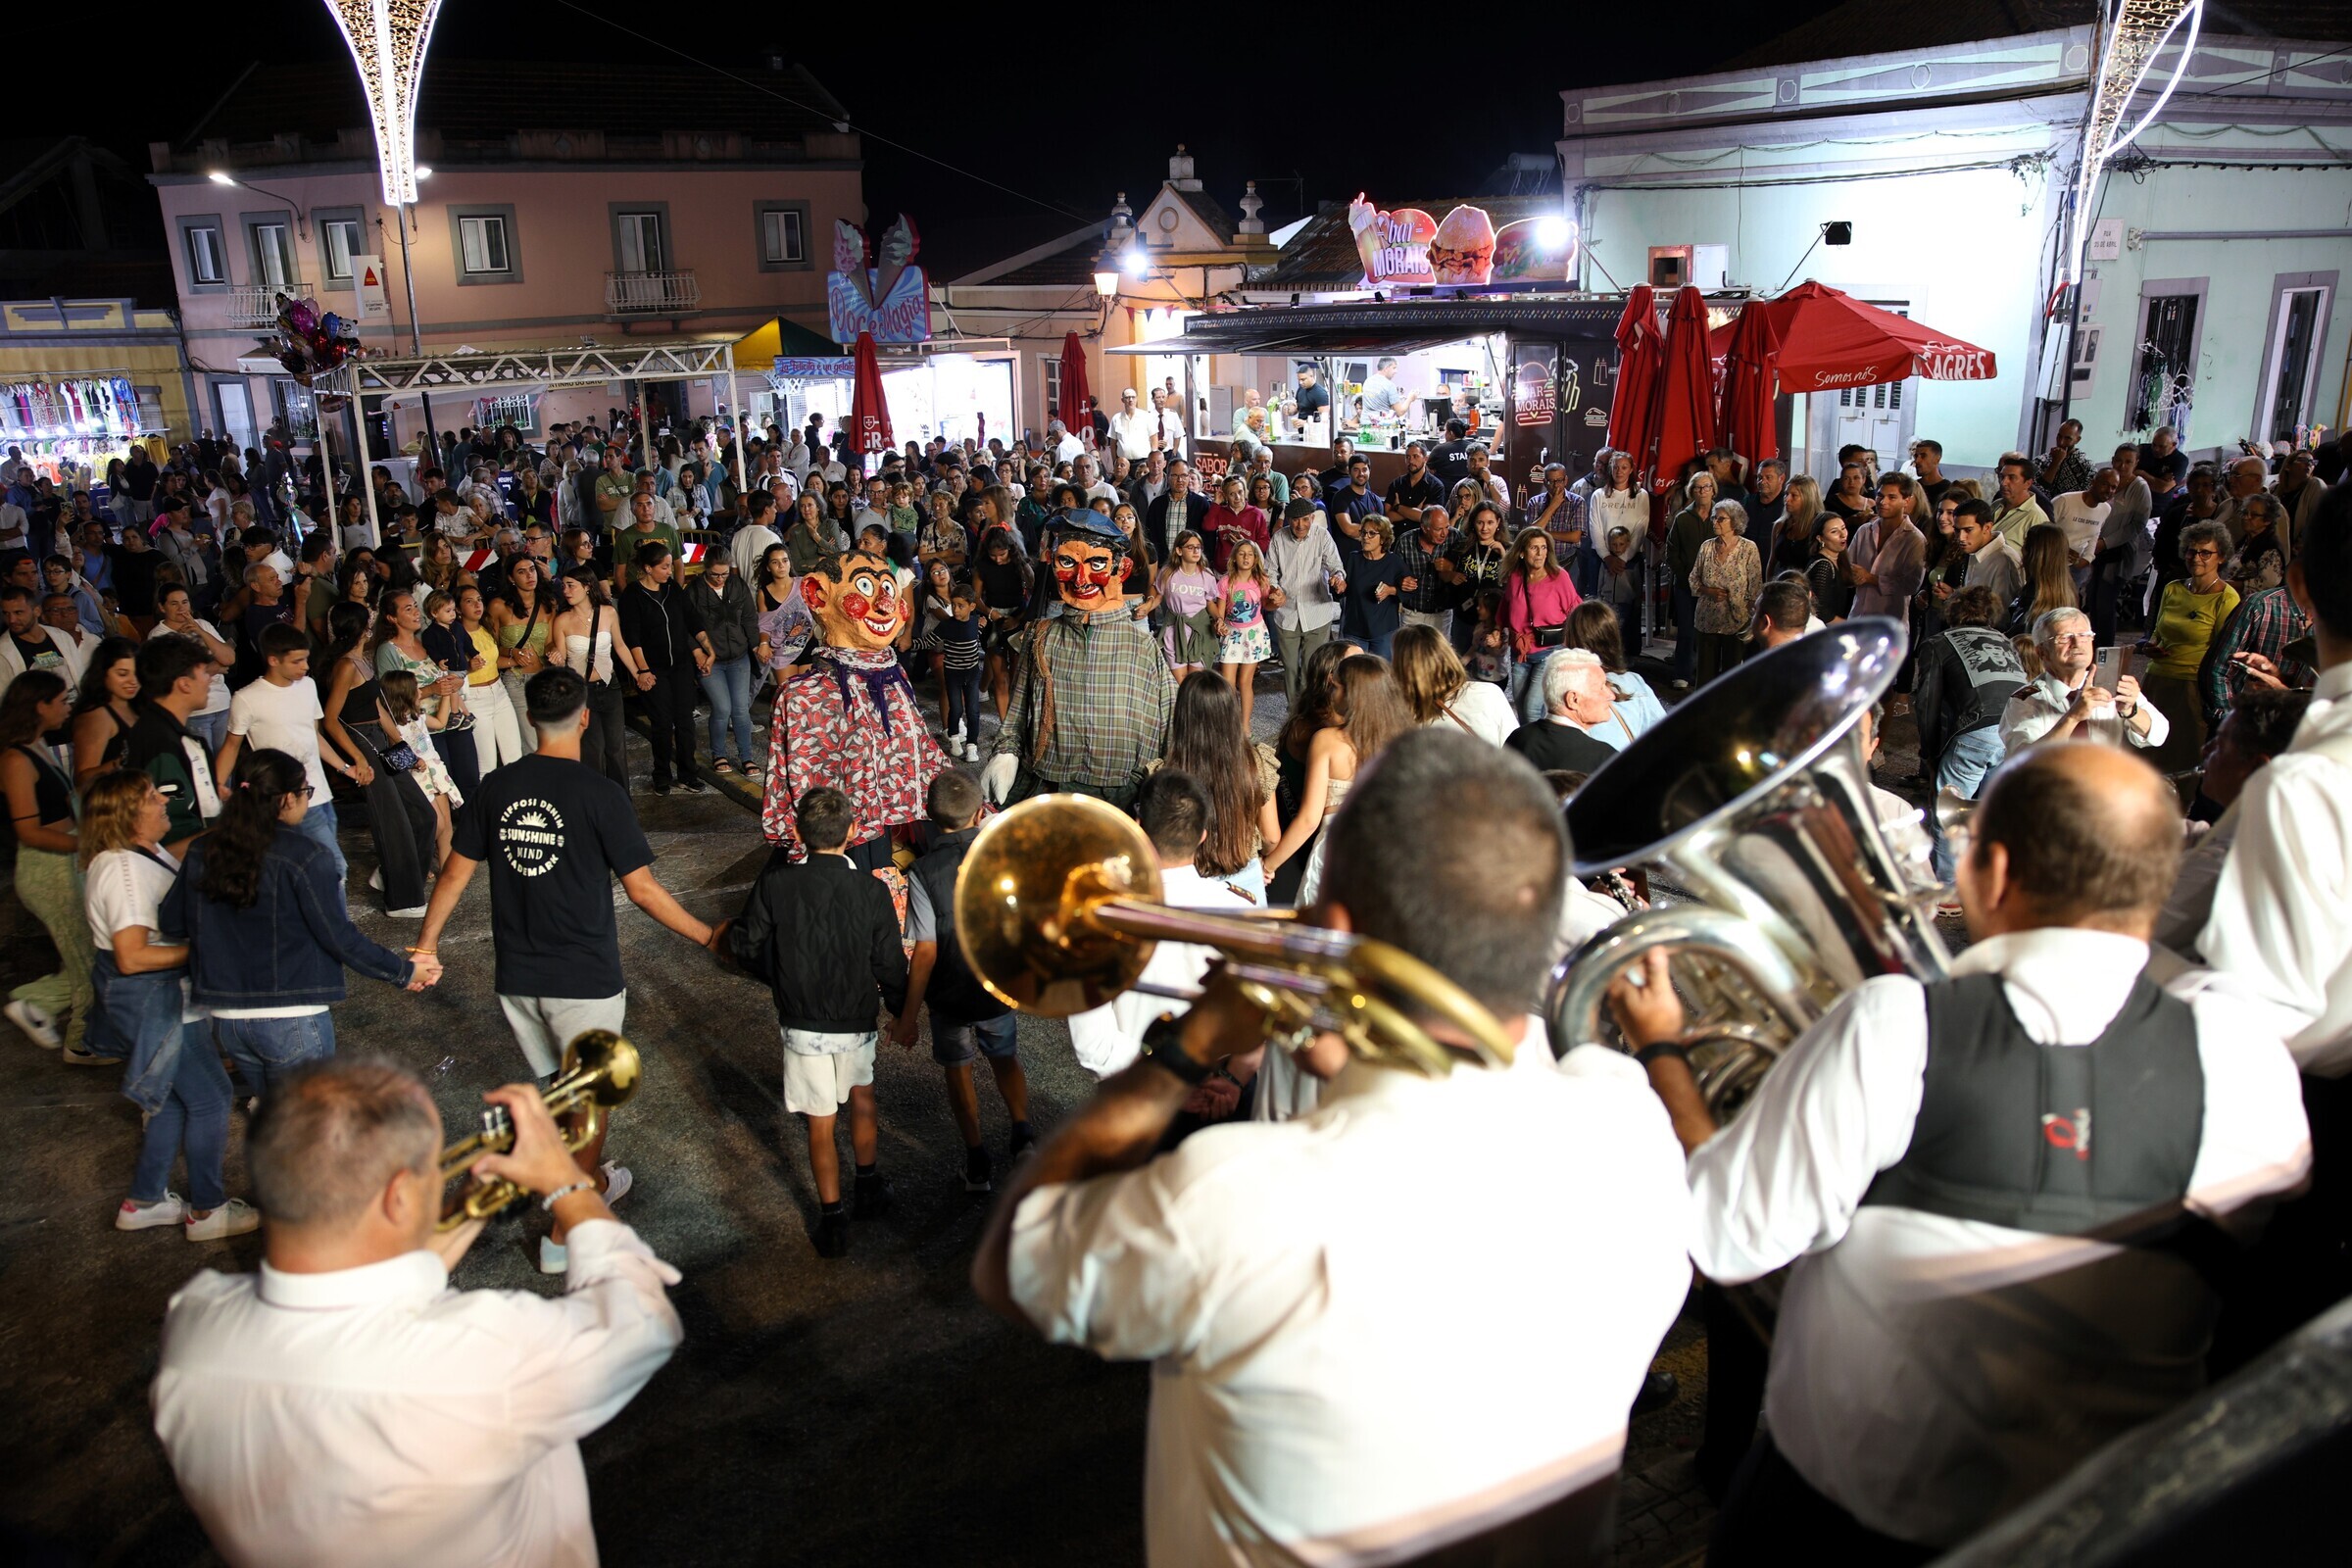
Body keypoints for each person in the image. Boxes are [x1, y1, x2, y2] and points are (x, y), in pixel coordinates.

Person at [973, 728, 1692, 1565]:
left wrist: (1186, 1046)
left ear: (1338, 925)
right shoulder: (1632, 1125)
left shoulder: (1238, 1198)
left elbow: (1011, 1264)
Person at [1609, 742, 2310, 1561]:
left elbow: (1728, 1236)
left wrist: (1664, 1054)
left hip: (1843, 1524)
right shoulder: (2242, 1054)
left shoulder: (1896, 1024)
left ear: (1995, 871)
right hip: (2107, 1525)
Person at [152, 1057, 682, 1565]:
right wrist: (568, 1183)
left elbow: (380, 1284)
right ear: (398, 1197)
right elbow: (642, 1319)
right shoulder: (483, 1355)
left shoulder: (193, 1321)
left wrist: (475, 1200)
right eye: (432, 1166)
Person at [415, 668, 724, 1272]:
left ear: (530, 719)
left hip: (517, 979)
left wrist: (426, 946)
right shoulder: (601, 793)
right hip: (583, 979)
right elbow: (642, 891)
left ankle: (577, 1183)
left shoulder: (498, 786)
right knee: (588, 1110)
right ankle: (564, 1233)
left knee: (561, 1094)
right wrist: (708, 935)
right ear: (585, 718)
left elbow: (454, 873)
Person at [169, 748, 429, 1096]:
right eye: (306, 792)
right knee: (309, 1133)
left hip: (228, 1020)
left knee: (275, 1124)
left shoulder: (204, 851)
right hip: (291, 1016)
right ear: (287, 799)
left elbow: (172, 922)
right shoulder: (306, 856)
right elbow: (339, 937)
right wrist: (404, 972)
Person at [730, 785, 907, 1259]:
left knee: (820, 1120)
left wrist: (778, 974)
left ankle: (831, 1221)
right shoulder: (870, 890)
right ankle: (867, 1187)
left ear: (797, 833)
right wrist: (901, 1010)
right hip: (855, 1017)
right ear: (853, 832)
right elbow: (889, 962)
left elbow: (746, 946)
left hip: (802, 1021)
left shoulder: (776, 885)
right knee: (863, 1097)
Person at [80, 769, 246, 1235]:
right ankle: (209, 1211)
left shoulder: (137, 853)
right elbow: (132, 957)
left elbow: (170, 859)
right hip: (153, 997)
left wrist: (228, 827)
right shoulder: (122, 872)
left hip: (155, 995)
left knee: (172, 1101)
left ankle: (144, 1201)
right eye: (153, 798)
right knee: (213, 1098)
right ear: (130, 815)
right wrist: (208, 949)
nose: (163, 803)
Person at [1064, 770, 1258, 1080]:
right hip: (1216, 1089)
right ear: (1202, 837)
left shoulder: (1101, 917)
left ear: (1138, 828)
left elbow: (1094, 1046)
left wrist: (1168, 1073)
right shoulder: (1242, 909)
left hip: (1132, 1090)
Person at [893, 771, 1034, 1196]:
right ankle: (1023, 1135)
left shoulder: (922, 871)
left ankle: (977, 1161)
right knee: (1004, 1056)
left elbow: (926, 951)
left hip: (949, 992)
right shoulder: (1006, 856)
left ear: (931, 819)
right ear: (979, 813)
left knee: (958, 1069)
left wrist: (907, 1017)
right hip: (996, 985)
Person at [218, 623, 367, 881]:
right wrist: (218, 785)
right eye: (297, 661)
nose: (305, 666)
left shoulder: (308, 686)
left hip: (319, 794)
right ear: (273, 660)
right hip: (285, 799)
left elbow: (313, 735)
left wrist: (345, 768)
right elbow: (231, 745)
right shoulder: (246, 698)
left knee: (320, 869)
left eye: (306, 659)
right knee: (334, 869)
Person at [0, 670, 93, 1059]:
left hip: (63, 863)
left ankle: (34, 1002)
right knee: (86, 959)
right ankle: (81, 1043)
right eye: (61, 701)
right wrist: (84, 844)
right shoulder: (15, 759)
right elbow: (30, 831)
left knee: (84, 954)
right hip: (47, 869)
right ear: (40, 706)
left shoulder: (34, 745)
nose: (67, 708)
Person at [1157, 669, 1283, 906]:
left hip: (1189, 882)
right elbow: (1272, 837)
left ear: (1183, 715)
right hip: (1245, 879)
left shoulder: (1166, 773)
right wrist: (1265, 864)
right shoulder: (1256, 764)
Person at [2001, 607, 2170, 760]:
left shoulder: (2111, 683)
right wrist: (2072, 717)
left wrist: (2130, 710)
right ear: (2042, 651)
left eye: (2084, 635)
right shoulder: (2025, 699)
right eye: (2064, 638)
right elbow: (2024, 761)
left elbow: (2159, 735)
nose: (2077, 643)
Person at [2139, 519, 2238, 772]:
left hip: (2192, 688)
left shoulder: (2226, 598)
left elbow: (2223, 653)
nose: (2196, 557)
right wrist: (2151, 646)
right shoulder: (2173, 588)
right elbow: (2158, 633)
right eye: (2192, 551)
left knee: (2182, 758)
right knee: (2145, 754)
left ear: (2222, 557)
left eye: (2206, 552)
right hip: (2156, 681)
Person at [617, 542, 711, 796]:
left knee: (685, 722)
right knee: (661, 724)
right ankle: (661, 774)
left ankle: (687, 774)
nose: (670, 571)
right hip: (654, 667)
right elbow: (632, 637)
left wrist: (705, 647)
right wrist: (643, 670)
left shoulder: (672, 589)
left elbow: (691, 620)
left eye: (670, 565)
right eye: (664, 566)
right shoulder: (632, 596)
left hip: (680, 666)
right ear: (648, 568)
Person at [122, 633, 223, 856]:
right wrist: (235, 828)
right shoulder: (161, 742)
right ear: (184, 684)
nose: (210, 679)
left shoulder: (157, 730)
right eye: (204, 673)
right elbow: (172, 837)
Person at [546, 564, 643, 791]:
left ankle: (621, 800)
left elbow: (620, 646)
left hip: (610, 687)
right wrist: (556, 657)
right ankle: (596, 800)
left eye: (571, 586)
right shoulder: (562, 620)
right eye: (564, 586)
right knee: (592, 750)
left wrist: (638, 674)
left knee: (616, 748)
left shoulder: (608, 613)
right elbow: (561, 655)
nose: (566, 591)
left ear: (587, 587)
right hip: (582, 692)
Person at [1264, 498, 1345, 710]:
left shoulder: (1322, 536)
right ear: (1289, 519)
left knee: (1312, 667)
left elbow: (1336, 565)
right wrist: (1275, 589)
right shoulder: (1279, 539)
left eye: (1305, 520)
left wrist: (1337, 577)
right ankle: (1294, 712)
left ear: (1313, 517)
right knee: (1290, 668)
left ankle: (1310, 711)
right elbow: (1269, 572)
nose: (1300, 525)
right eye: (1295, 520)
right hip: (1287, 612)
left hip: (1317, 612)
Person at [1507, 647, 1630, 773]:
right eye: (1601, 687)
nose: (1611, 695)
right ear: (1573, 700)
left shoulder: (1517, 739)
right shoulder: (1604, 758)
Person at [1393, 622, 1516, 746]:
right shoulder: (1490, 693)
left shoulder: (1404, 724)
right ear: (1449, 653)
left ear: (1401, 670)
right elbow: (1517, 748)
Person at [1690, 500, 1764, 684]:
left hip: (1736, 621)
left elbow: (1755, 586)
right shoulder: (1706, 547)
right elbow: (1693, 578)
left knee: (1731, 677)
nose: (1715, 522)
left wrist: (1748, 615)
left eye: (1721, 519)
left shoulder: (1748, 548)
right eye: (1714, 518)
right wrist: (1708, 591)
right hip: (1707, 620)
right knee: (1705, 675)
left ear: (1735, 522)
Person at [1664, 470, 1720, 687]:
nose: (1703, 491)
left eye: (1707, 487)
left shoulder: (1723, 516)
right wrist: (1685, 576)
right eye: (1698, 487)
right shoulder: (1682, 518)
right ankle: (1682, 673)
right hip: (1686, 585)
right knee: (1686, 631)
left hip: (1715, 587)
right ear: (1691, 491)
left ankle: (1708, 675)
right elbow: (1672, 552)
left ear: (1713, 489)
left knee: (1710, 633)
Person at [69, 634, 142, 790]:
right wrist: (122, 761)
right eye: (122, 674)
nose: (133, 681)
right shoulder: (97, 716)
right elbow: (83, 779)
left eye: (137, 673)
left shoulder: (136, 705)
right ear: (103, 673)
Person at [1342, 515, 1404, 659]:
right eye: (1363, 532)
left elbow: (1410, 589)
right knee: (1354, 676)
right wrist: (1337, 585)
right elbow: (1341, 591)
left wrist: (1391, 590)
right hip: (1355, 629)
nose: (1365, 537)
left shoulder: (1394, 562)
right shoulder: (1353, 559)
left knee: (1382, 676)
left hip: (1384, 631)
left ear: (1383, 539)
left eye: (1371, 533)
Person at [2004, 522, 2078, 638]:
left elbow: (2015, 639)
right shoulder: (2069, 592)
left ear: (2034, 554)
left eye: (2025, 544)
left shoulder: (2031, 597)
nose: (2021, 549)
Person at [1989, 453, 2050, 554]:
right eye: (2002, 477)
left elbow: (2040, 560)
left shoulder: (2036, 518)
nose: (2003, 483)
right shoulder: (1996, 505)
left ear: (2028, 483)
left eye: (2012, 478)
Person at [1804, 514, 1853, 624]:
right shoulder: (1824, 566)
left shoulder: (1839, 559)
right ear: (1820, 538)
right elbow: (1821, 612)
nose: (1842, 535)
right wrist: (1850, 626)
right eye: (1834, 532)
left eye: (1843, 528)